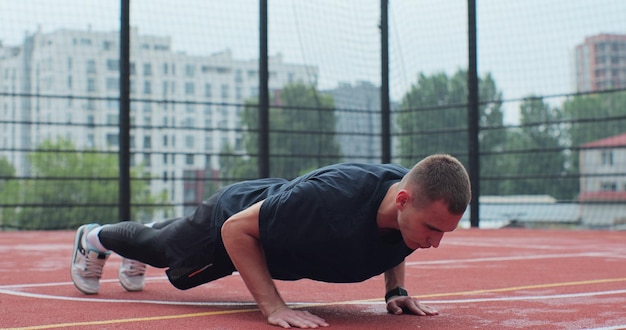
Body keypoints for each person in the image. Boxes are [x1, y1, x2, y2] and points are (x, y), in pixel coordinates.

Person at [71, 154, 471, 328]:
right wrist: (273, 306)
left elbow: (394, 238)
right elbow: (235, 231)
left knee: (165, 242)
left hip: (272, 222)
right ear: (402, 200)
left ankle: (161, 230)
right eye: (432, 229)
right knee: (165, 258)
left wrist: (395, 288)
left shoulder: (408, 202)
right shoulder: (330, 199)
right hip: (233, 220)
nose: (434, 243)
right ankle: (94, 237)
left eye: (443, 233)